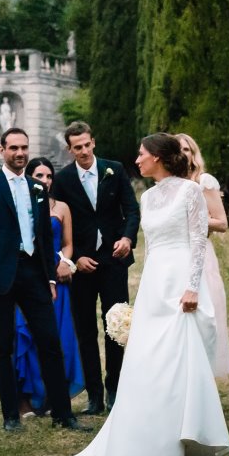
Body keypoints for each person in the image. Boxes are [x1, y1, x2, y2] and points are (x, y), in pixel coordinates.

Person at [54, 133, 229, 456]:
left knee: (181, 359)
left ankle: (186, 443)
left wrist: (193, 287)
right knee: (149, 361)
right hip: (155, 284)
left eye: (142, 154)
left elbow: (198, 240)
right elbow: (150, 248)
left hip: (182, 282)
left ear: (160, 157)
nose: (137, 160)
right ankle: (150, 439)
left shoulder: (190, 191)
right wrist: (144, 291)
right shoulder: (148, 197)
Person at [0, 127, 86, 433]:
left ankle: (63, 415)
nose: (20, 153)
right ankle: (11, 415)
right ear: (2, 149)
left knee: (50, 342)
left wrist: (49, 278)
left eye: (24, 148)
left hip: (35, 275)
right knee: (2, 345)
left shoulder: (37, 188)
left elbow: (46, 238)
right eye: (14, 148)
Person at [51, 121, 139, 413]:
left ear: (93, 142)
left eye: (88, 145)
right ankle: (94, 396)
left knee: (116, 327)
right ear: (70, 149)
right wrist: (74, 259)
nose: (84, 151)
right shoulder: (63, 180)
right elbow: (61, 223)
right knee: (85, 330)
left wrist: (127, 237)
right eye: (78, 147)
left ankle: (115, 389)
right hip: (82, 266)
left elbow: (131, 209)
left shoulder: (114, 169)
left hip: (114, 260)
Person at [14, 156, 85, 414]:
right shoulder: (22, 204)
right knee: (28, 336)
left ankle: (54, 398)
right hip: (30, 275)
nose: (45, 180)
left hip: (58, 274)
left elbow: (67, 242)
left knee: (60, 337)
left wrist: (65, 262)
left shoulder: (62, 207)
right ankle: (29, 396)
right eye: (39, 176)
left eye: (48, 176)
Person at [172, 132, 229, 379]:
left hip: (201, 255)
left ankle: (203, 377)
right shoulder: (170, 185)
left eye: (187, 149)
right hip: (175, 256)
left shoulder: (204, 181)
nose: (183, 154)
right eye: (178, 150)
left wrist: (197, 221)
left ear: (193, 154)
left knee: (204, 315)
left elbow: (222, 222)